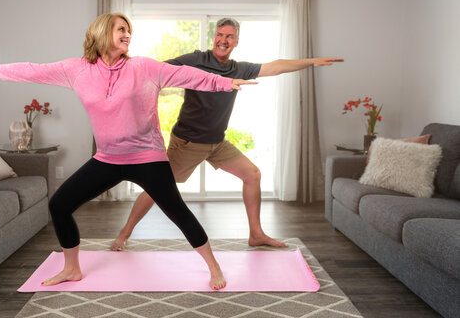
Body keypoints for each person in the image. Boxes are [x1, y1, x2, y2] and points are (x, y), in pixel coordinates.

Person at [0, 13, 257, 290]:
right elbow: (33, 71)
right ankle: (72, 269)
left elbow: (190, 76)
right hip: (108, 159)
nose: (127, 35)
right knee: (59, 204)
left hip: (147, 157)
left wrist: (225, 82)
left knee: (177, 211)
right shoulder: (76, 69)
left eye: (129, 31)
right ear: (102, 33)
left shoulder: (144, 67)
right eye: (121, 29)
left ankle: (213, 267)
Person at [110, 17, 343, 252]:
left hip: (217, 143)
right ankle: (124, 233)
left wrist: (312, 61)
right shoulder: (196, 60)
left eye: (229, 36)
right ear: (214, 38)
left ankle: (256, 234)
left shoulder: (238, 68)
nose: (223, 40)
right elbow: (155, 70)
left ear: (236, 42)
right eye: (219, 35)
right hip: (188, 143)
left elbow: (275, 66)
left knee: (252, 174)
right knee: (157, 187)